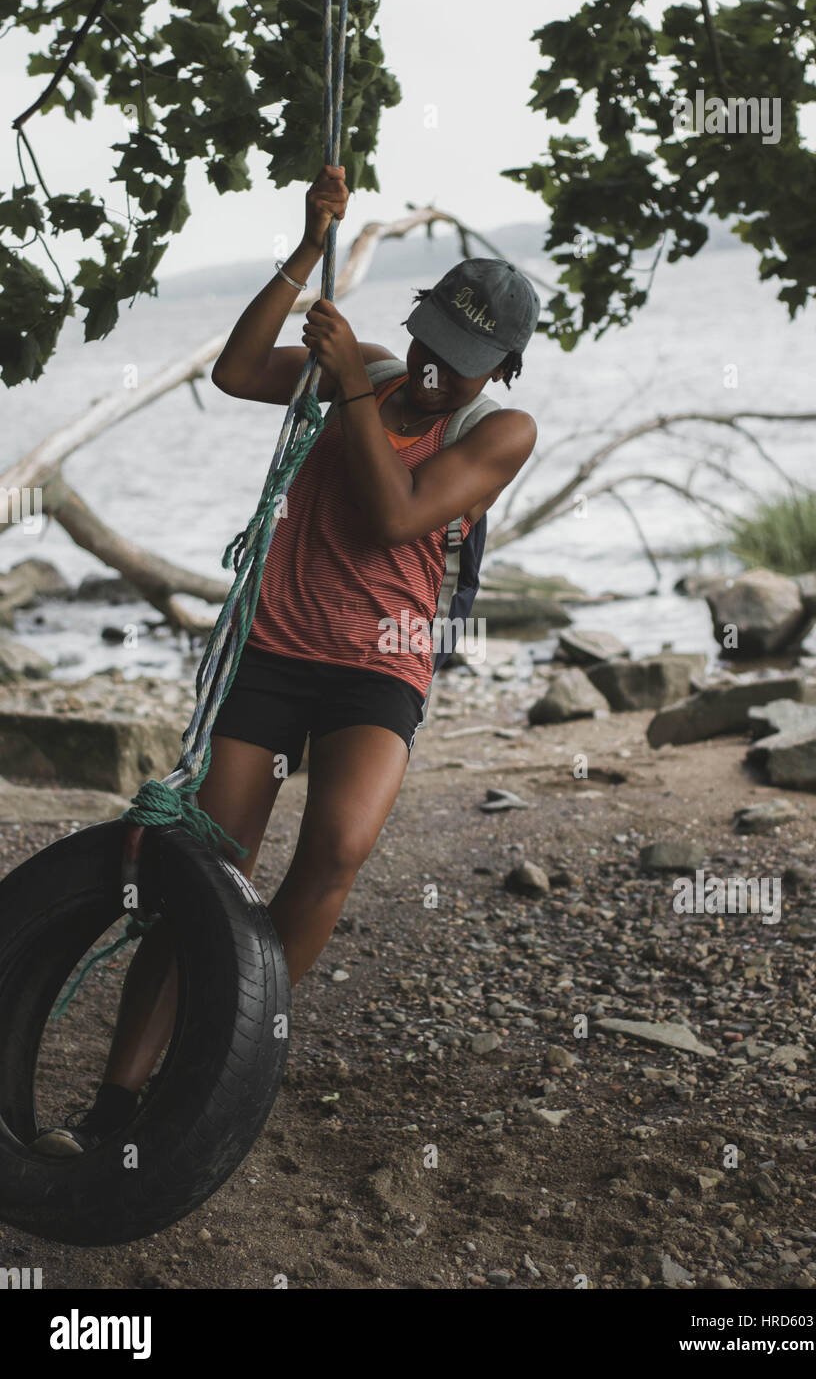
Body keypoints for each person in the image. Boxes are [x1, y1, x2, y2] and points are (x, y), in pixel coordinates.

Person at [34, 165, 540, 1155]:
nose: (437, 373)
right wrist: (307, 252)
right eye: (432, 344)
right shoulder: (378, 371)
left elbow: (394, 516)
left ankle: (224, 1040)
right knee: (204, 874)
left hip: (380, 667)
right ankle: (112, 1104)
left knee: (336, 855)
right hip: (275, 649)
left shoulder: (497, 432)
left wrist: (353, 379)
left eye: (465, 361)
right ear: (421, 321)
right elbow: (234, 370)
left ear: (501, 368)